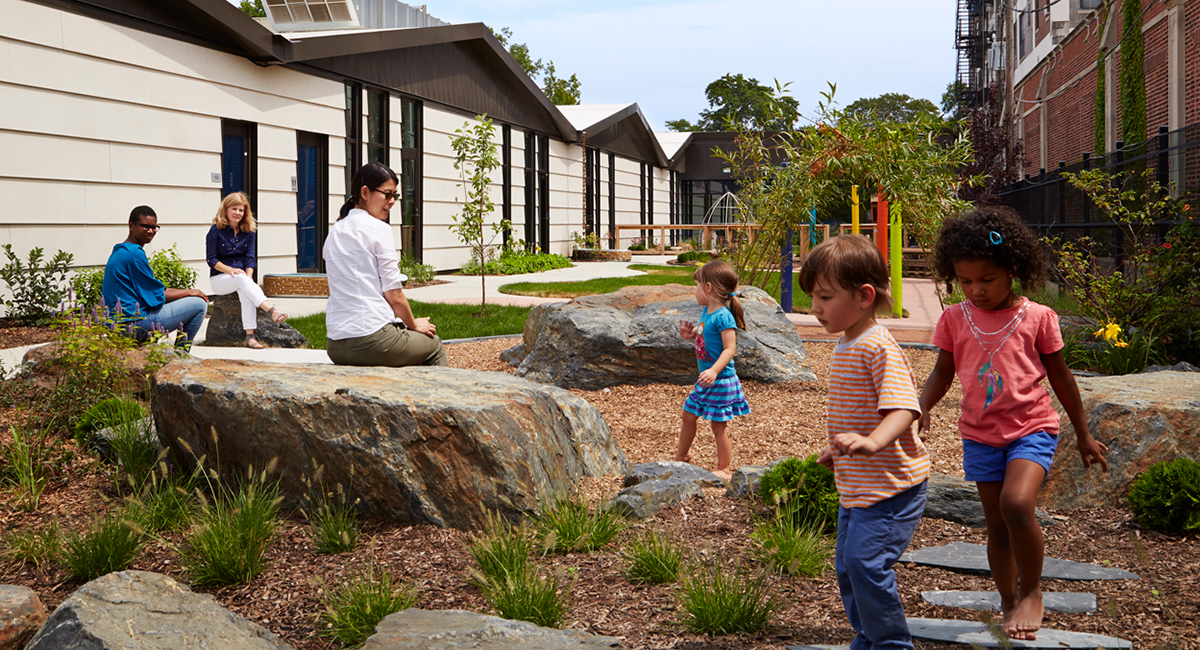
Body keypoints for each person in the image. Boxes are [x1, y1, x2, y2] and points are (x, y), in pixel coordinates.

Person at [919, 207, 1109, 641]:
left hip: (1032, 428)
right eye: (966, 281)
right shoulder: (954, 318)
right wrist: (922, 407)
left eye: (986, 279)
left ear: (1013, 270)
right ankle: (1007, 600)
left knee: (1017, 505)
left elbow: (1061, 376)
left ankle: (1033, 590)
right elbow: (942, 373)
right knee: (997, 524)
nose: (976, 290)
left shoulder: (1038, 317)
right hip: (980, 436)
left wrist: (1083, 434)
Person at [797, 234, 930, 650]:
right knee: (847, 565)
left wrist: (873, 442)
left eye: (824, 297)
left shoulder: (878, 347)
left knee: (864, 563)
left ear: (864, 296)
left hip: (891, 488)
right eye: (813, 297)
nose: (814, 307)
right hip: (857, 484)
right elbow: (856, 410)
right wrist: (838, 449)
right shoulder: (846, 341)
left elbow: (905, 410)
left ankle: (891, 644)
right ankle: (870, 635)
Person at [324, 162, 447, 367]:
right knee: (433, 345)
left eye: (395, 197)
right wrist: (414, 324)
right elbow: (394, 295)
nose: (391, 202)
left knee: (406, 341)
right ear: (365, 192)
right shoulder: (378, 229)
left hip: (336, 345)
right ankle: (446, 399)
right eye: (387, 194)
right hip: (371, 341)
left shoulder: (335, 231)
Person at [676, 259, 750, 482]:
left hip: (720, 380)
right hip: (708, 379)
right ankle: (682, 455)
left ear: (708, 288)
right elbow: (707, 341)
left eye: (697, 285)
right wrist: (690, 336)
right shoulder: (707, 313)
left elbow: (730, 349)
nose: (695, 291)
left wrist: (715, 371)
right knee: (689, 414)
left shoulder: (723, 316)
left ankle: (725, 469)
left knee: (718, 426)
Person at [102, 205, 209, 351]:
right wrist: (191, 292)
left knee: (189, 298)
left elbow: (155, 291)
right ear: (131, 225)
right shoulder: (134, 254)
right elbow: (156, 297)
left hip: (118, 324)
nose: (151, 231)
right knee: (199, 304)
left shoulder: (120, 250)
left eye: (154, 227)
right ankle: (181, 357)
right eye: (145, 226)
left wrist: (187, 291)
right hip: (134, 324)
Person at [205, 192, 287, 349]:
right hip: (219, 280)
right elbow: (212, 260)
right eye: (234, 209)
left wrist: (248, 278)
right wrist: (231, 270)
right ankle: (270, 310)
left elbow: (250, 258)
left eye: (241, 210)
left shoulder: (249, 232)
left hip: (241, 279)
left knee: (245, 290)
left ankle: (250, 337)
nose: (237, 213)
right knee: (241, 279)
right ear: (226, 209)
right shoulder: (215, 231)